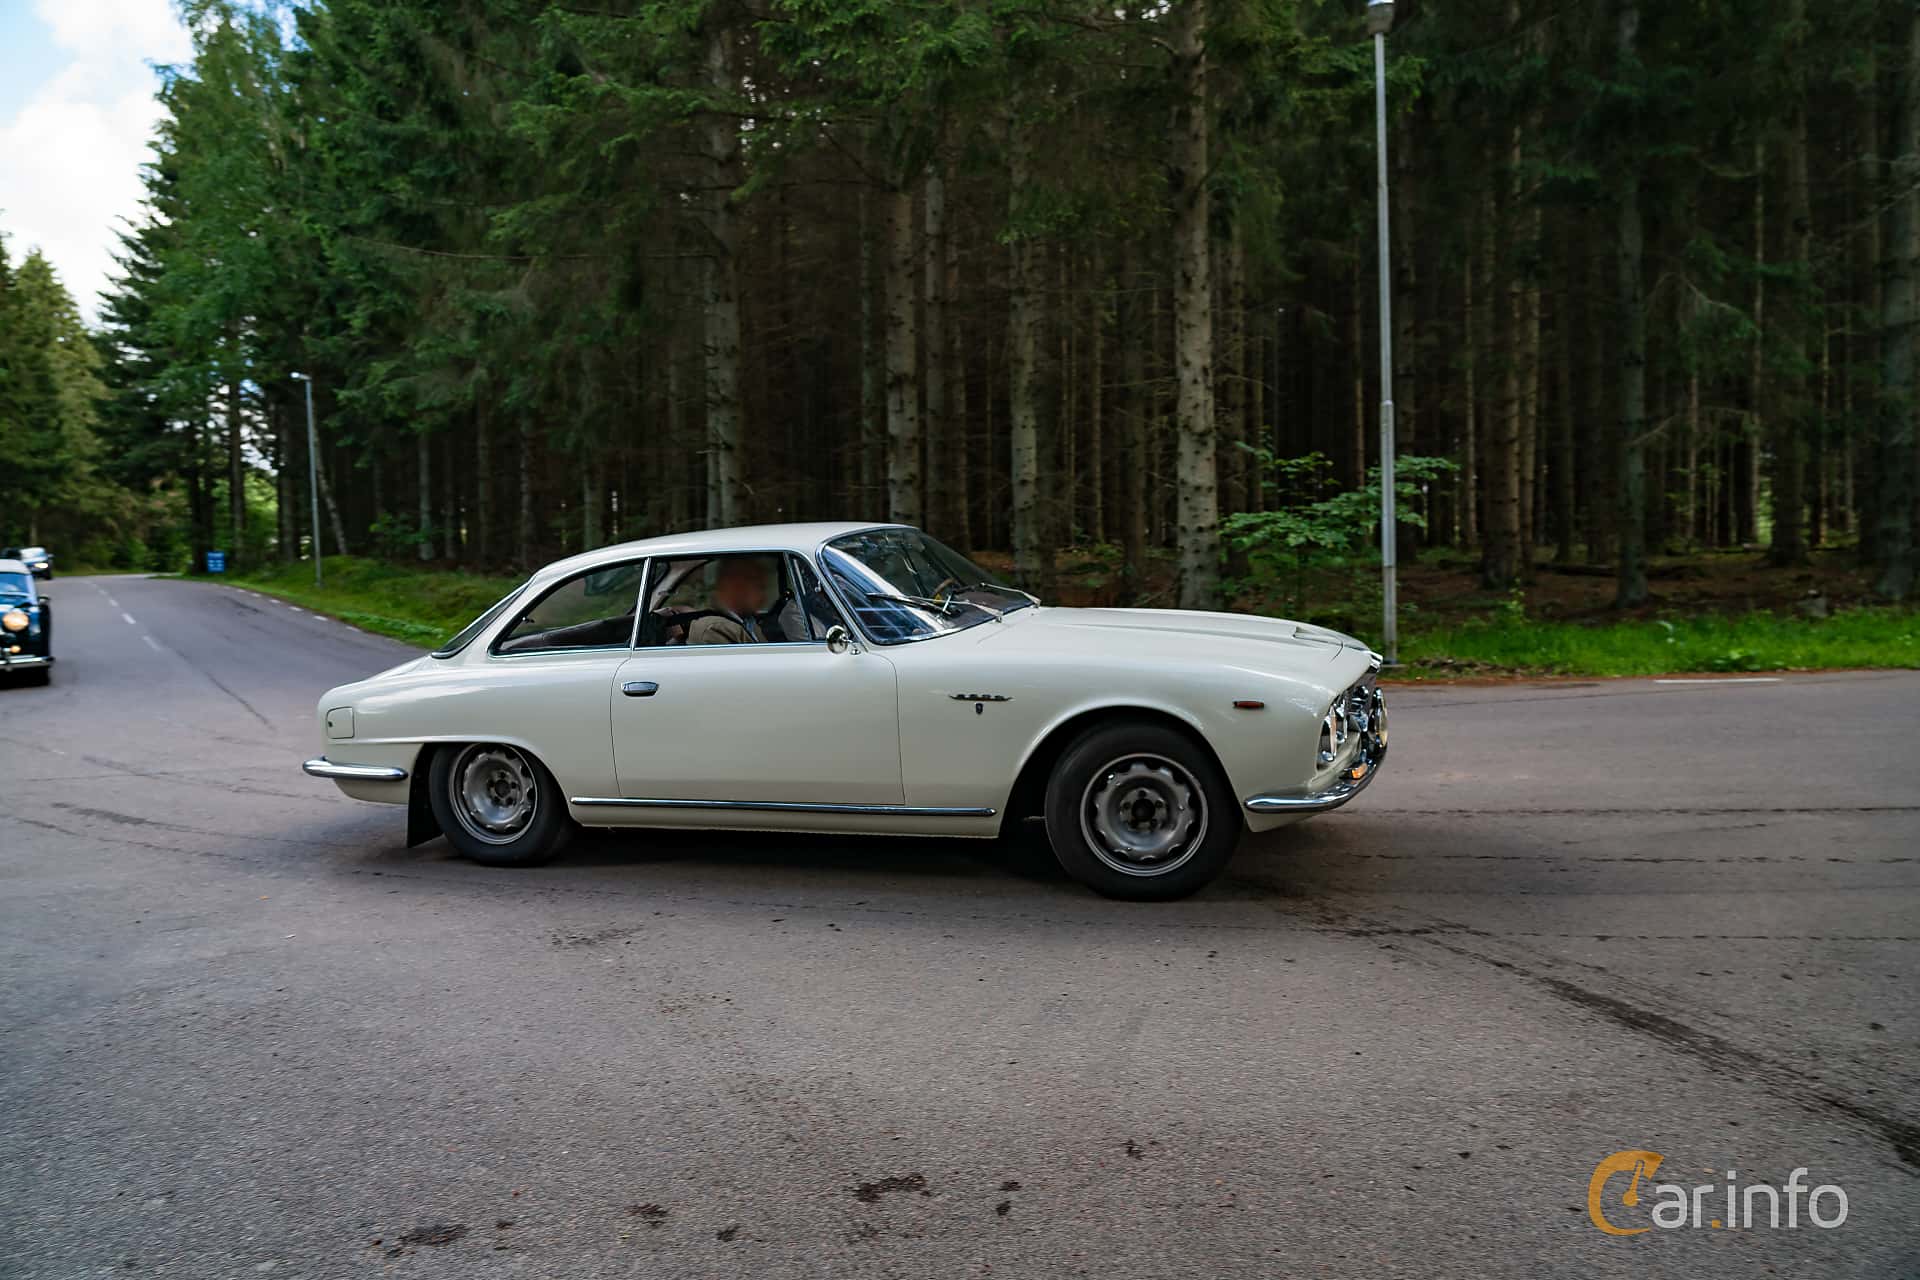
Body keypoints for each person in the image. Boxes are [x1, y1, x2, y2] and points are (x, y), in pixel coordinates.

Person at [687, 557, 774, 645]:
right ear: (738, 587)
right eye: (760, 587)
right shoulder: (714, 629)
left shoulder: (747, 621)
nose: (764, 597)